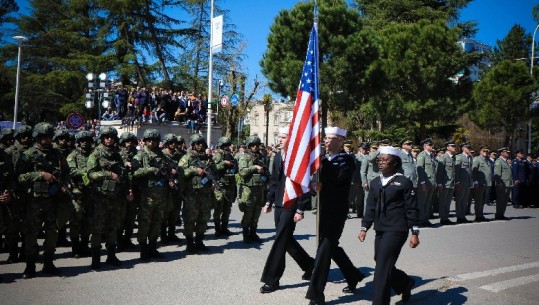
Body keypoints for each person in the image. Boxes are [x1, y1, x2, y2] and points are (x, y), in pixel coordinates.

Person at [306, 127, 365, 305]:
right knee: (331, 247)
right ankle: (353, 275)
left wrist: (322, 173)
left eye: (331, 138)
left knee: (324, 249)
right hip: (323, 210)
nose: (326, 141)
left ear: (340, 141)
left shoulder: (347, 160)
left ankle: (316, 292)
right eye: (325, 138)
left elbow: (339, 180)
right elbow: (317, 181)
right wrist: (313, 183)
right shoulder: (323, 159)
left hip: (337, 211)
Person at [359, 145, 420, 305]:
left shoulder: (404, 182)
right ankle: (405, 283)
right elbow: (370, 207)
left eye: (385, 160)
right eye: (379, 160)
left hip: (397, 229)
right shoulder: (375, 183)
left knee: (381, 268)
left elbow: (411, 208)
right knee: (380, 260)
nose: (380, 163)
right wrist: (364, 227)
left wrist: (415, 232)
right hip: (381, 228)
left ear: (394, 163)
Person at [259, 127, 315, 294]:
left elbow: (303, 185)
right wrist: (268, 201)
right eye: (279, 137)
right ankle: (309, 264)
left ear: (291, 139)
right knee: (286, 239)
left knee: (280, 240)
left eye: (284, 137)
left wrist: (301, 208)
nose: (280, 139)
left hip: (291, 205)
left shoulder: (298, 158)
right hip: (278, 203)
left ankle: (272, 279)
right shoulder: (277, 156)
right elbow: (274, 181)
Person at [17, 122, 71, 278]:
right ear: (37, 137)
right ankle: (30, 265)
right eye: (42, 137)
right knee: (32, 233)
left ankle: (48, 263)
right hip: (34, 201)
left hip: (52, 200)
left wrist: (64, 185)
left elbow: (66, 173)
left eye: (48, 136)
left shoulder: (57, 155)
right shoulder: (28, 154)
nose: (46, 139)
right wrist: (40, 175)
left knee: (52, 232)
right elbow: (19, 177)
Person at [87, 127, 128, 269]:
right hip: (101, 197)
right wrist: (108, 174)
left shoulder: (116, 154)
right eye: (106, 136)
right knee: (98, 228)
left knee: (113, 227)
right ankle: (96, 259)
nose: (109, 139)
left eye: (111, 136)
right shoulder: (96, 154)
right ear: (102, 138)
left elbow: (123, 174)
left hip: (115, 197)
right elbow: (91, 174)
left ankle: (111, 255)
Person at [133, 129, 176, 260]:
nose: (152, 142)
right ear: (145, 141)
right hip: (147, 195)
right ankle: (143, 249)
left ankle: (152, 247)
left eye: (155, 140)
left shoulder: (162, 156)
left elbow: (170, 169)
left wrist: (170, 178)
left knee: (157, 222)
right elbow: (134, 173)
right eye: (149, 140)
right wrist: (150, 170)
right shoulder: (140, 155)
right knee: (145, 223)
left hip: (161, 195)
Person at [178, 134, 216, 253]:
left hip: (205, 194)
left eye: (202, 143)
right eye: (197, 143)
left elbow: (215, 172)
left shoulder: (207, 158)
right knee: (189, 219)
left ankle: (199, 241)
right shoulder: (187, 157)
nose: (200, 145)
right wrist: (195, 170)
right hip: (192, 194)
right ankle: (190, 243)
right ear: (193, 144)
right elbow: (180, 172)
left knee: (203, 218)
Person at [238, 135, 270, 244]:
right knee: (248, 212)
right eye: (253, 145)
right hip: (248, 189)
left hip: (260, 188)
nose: (255, 147)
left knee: (257, 212)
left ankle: (253, 232)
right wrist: (254, 167)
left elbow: (267, 170)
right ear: (249, 146)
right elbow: (242, 172)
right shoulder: (244, 157)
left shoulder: (262, 157)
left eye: (257, 145)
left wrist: (264, 173)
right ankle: (246, 234)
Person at [212, 136, 238, 236]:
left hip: (229, 184)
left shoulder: (230, 155)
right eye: (226, 145)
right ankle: (217, 229)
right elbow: (213, 168)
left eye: (228, 145)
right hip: (220, 185)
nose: (228, 147)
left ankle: (224, 227)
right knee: (218, 207)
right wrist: (224, 163)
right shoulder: (218, 155)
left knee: (227, 208)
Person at [416, 138, 437, 226]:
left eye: (432, 145)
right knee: (422, 202)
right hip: (424, 183)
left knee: (428, 202)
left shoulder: (431, 156)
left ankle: (425, 219)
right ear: (425, 146)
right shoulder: (422, 155)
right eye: (430, 145)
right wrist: (422, 183)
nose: (432, 146)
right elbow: (420, 170)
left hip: (431, 182)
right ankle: (420, 220)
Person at [436, 141, 457, 226]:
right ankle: (442, 218)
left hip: (451, 183)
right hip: (444, 183)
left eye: (454, 146)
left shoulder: (454, 158)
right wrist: (439, 183)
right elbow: (439, 171)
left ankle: (446, 217)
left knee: (448, 202)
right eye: (452, 146)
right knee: (443, 201)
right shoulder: (443, 157)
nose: (454, 147)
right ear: (447, 147)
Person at [472, 146, 492, 222]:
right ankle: (478, 216)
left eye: (487, 151)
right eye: (484, 151)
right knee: (478, 200)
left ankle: (481, 214)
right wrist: (475, 181)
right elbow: (474, 170)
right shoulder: (477, 159)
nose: (485, 153)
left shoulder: (487, 160)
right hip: (479, 183)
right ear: (480, 151)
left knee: (483, 200)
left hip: (486, 183)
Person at [455, 142, 473, 223]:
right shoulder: (459, 157)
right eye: (467, 147)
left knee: (465, 200)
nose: (469, 149)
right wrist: (457, 181)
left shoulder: (470, 157)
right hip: (461, 182)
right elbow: (456, 170)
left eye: (469, 147)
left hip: (468, 182)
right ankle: (459, 216)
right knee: (459, 200)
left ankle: (463, 216)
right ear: (463, 148)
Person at [494, 148, 512, 220]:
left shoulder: (505, 161)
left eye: (508, 152)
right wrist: (499, 183)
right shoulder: (499, 161)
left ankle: (502, 214)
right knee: (500, 200)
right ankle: (498, 214)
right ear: (501, 153)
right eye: (506, 152)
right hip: (502, 184)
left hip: (507, 183)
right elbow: (497, 173)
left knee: (505, 201)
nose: (508, 153)